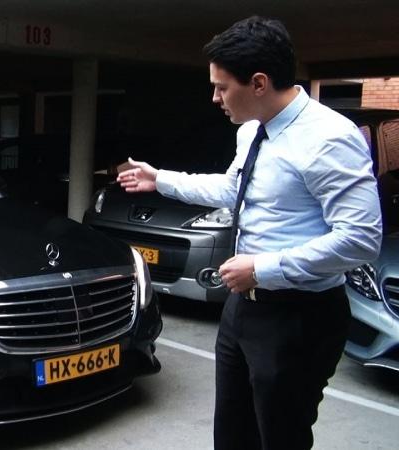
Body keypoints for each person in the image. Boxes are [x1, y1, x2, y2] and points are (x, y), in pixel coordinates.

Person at [116, 16, 381, 450]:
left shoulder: (330, 138)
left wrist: (262, 268)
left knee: (278, 437)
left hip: (299, 317)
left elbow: (360, 239)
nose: (215, 98)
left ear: (259, 83)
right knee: (232, 434)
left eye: (222, 87)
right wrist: (159, 179)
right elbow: (233, 189)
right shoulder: (252, 132)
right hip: (242, 309)